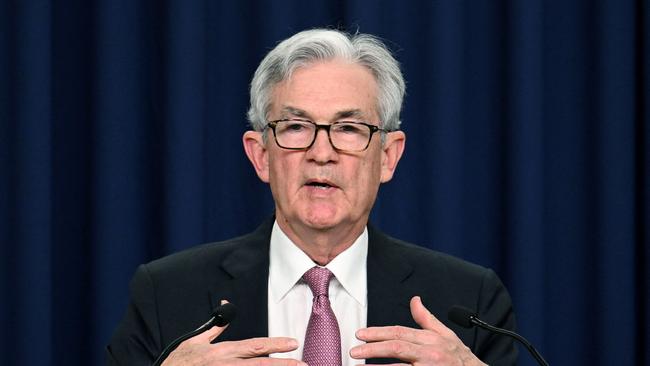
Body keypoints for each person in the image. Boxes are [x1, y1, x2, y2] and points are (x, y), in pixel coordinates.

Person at [107, 28, 517, 366]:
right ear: (261, 155)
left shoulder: (468, 302)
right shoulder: (166, 295)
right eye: (296, 127)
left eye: (349, 129)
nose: (322, 153)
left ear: (388, 157)